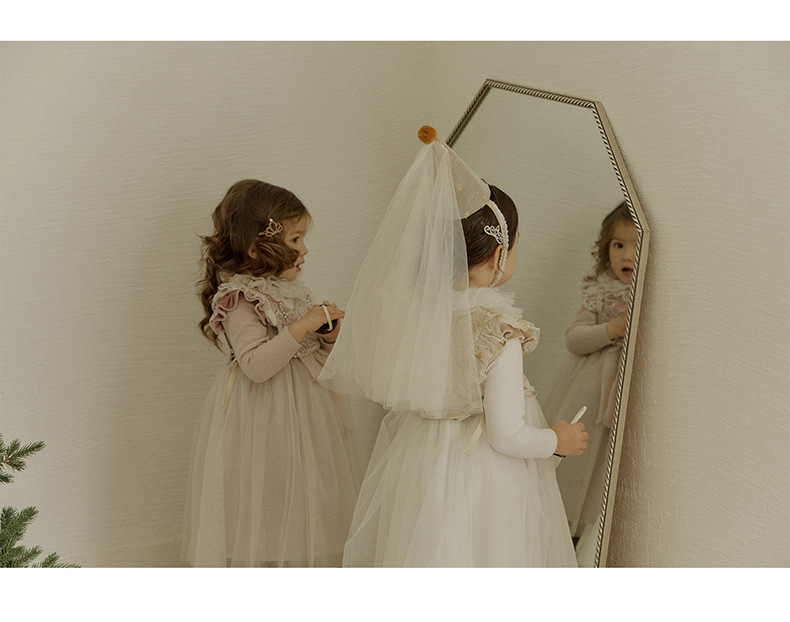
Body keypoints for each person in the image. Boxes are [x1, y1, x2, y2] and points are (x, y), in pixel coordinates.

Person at [318, 127, 588, 567]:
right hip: (483, 477)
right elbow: (508, 435)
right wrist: (556, 440)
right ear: (499, 253)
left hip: (421, 465)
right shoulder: (498, 330)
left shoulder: (420, 316)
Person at [181, 179, 363, 567]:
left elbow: (314, 358)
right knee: (267, 495)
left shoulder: (293, 291)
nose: (304, 250)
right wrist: (302, 326)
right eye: (295, 240)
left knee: (303, 497)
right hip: (261, 416)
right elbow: (256, 366)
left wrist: (327, 336)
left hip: (305, 413)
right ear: (254, 248)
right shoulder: (240, 299)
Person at [542, 201, 638, 564]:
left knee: (607, 476)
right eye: (618, 245)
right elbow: (574, 338)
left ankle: (594, 543)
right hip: (587, 394)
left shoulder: (655, 292)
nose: (626, 255)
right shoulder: (601, 292)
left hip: (625, 400)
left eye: (635, 245)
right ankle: (563, 536)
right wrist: (611, 329)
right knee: (576, 468)